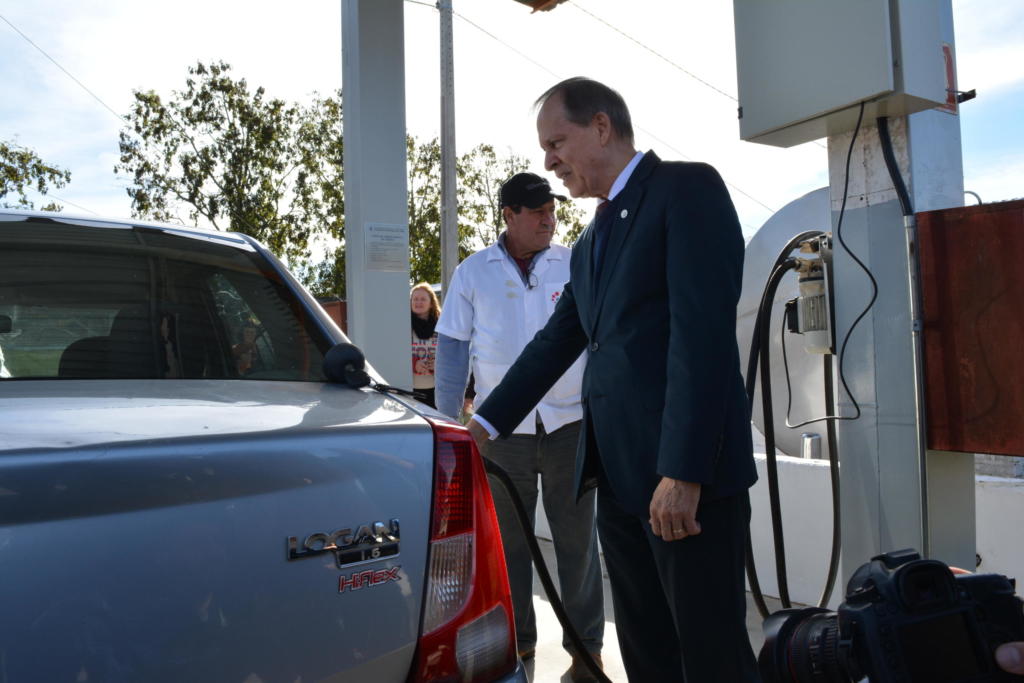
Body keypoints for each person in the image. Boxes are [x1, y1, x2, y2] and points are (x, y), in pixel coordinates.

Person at [466, 77, 760, 682]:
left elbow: (702, 341)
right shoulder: (591, 240)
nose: (549, 162)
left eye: (556, 143)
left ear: (601, 127)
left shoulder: (685, 191)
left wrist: (683, 472)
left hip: (684, 482)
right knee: (647, 654)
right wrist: (482, 427)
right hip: (621, 486)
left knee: (711, 658)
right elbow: (556, 343)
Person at [434, 172, 605, 681]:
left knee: (578, 544)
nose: (549, 219)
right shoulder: (473, 272)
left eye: (552, 210)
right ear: (509, 215)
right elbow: (453, 351)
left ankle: (586, 650)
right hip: (499, 434)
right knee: (508, 545)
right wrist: (448, 427)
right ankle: (518, 644)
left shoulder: (573, 262)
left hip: (570, 425)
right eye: (537, 212)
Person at [410, 282, 440, 408]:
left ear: (431, 303)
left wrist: (438, 364)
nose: (418, 302)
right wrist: (414, 363)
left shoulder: (442, 326)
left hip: (437, 388)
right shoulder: (403, 324)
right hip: (409, 389)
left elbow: (451, 354)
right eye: (415, 299)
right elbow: (394, 353)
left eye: (423, 299)